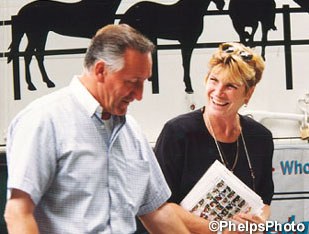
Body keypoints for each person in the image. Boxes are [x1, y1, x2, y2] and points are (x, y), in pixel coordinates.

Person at [4, 24, 212, 234]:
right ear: (101, 70)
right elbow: (18, 213)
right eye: (132, 82)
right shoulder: (44, 121)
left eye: (144, 83)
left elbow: (157, 211)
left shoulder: (132, 132)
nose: (139, 95)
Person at [155, 42, 274, 228]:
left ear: (248, 93)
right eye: (214, 80)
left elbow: (264, 201)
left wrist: (255, 223)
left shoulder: (261, 138)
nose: (218, 92)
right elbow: (161, 207)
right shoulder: (177, 132)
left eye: (231, 86)